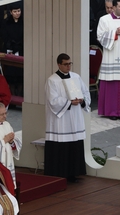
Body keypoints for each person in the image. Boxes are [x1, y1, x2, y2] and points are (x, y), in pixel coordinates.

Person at [45, 53, 89, 182]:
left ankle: (73, 173)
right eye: (65, 64)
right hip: (61, 120)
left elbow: (85, 92)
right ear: (59, 64)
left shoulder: (76, 77)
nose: (68, 66)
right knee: (62, 148)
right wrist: (69, 102)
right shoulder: (52, 80)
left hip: (75, 117)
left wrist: (82, 100)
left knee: (75, 144)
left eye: (70, 63)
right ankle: (59, 174)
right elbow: (52, 100)